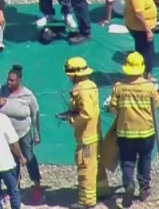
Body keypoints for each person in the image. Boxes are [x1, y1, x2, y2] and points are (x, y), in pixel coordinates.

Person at [108, 53, 159, 207]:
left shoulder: (119, 87)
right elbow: (156, 105)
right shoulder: (149, 87)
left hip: (125, 131)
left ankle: (128, 184)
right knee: (145, 158)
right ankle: (144, 189)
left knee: (127, 160)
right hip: (146, 131)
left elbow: (113, 109)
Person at [59, 57, 108, 209]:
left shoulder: (81, 89)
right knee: (97, 165)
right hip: (95, 133)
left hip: (86, 137)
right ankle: (102, 190)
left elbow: (86, 114)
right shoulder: (91, 85)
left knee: (85, 167)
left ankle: (87, 200)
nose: (68, 77)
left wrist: (72, 119)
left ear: (75, 74)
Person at [0, 64, 44, 204]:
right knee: (11, 163)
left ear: (19, 81)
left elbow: (35, 114)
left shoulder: (28, 95)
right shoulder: (1, 90)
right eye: (8, 80)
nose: (9, 83)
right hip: (7, 135)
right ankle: (15, 189)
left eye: (12, 81)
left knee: (29, 158)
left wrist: (37, 133)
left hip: (24, 133)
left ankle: (38, 188)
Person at [123, 0, 159, 79]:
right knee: (148, 51)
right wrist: (148, 30)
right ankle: (147, 74)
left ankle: (140, 71)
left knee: (140, 48)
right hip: (141, 28)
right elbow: (138, 12)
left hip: (133, 25)